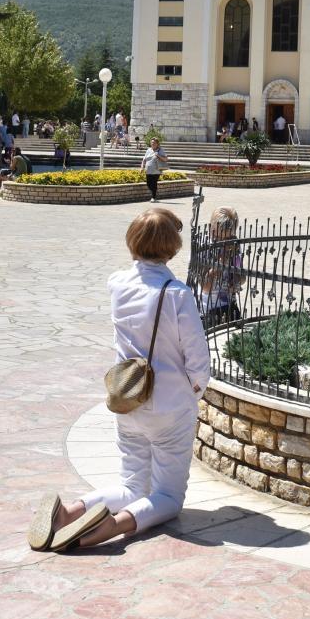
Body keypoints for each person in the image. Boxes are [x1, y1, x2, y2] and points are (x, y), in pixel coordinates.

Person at [26, 207, 210, 552]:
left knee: (131, 486)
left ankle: (70, 511)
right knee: (167, 497)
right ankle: (110, 527)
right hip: (170, 406)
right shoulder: (177, 294)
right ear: (172, 247)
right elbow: (197, 360)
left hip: (127, 398)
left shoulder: (117, 284)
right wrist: (193, 394)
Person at [197, 207, 244, 329]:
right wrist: (221, 261)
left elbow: (242, 275)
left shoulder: (234, 244)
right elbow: (205, 286)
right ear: (210, 228)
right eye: (218, 237)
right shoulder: (203, 247)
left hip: (229, 307)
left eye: (227, 238)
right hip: (207, 309)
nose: (222, 242)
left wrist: (236, 283)